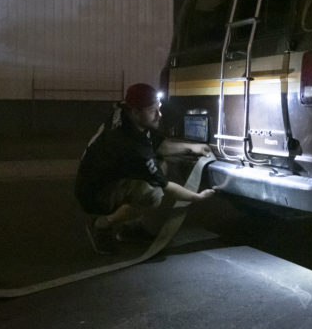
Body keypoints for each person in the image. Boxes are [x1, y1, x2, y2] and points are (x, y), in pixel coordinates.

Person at [75, 83, 214, 254]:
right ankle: (102, 224)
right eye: (152, 111)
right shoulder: (131, 145)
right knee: (153, 194)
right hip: (95, 194)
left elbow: (158, 145)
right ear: (135, 112)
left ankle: (130, 228)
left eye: (159, 108)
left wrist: (193, 147)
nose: (159, 115)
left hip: (96, 178)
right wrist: (197, 197)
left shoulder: (124, 112)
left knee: (160, 162)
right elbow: (167, 186)